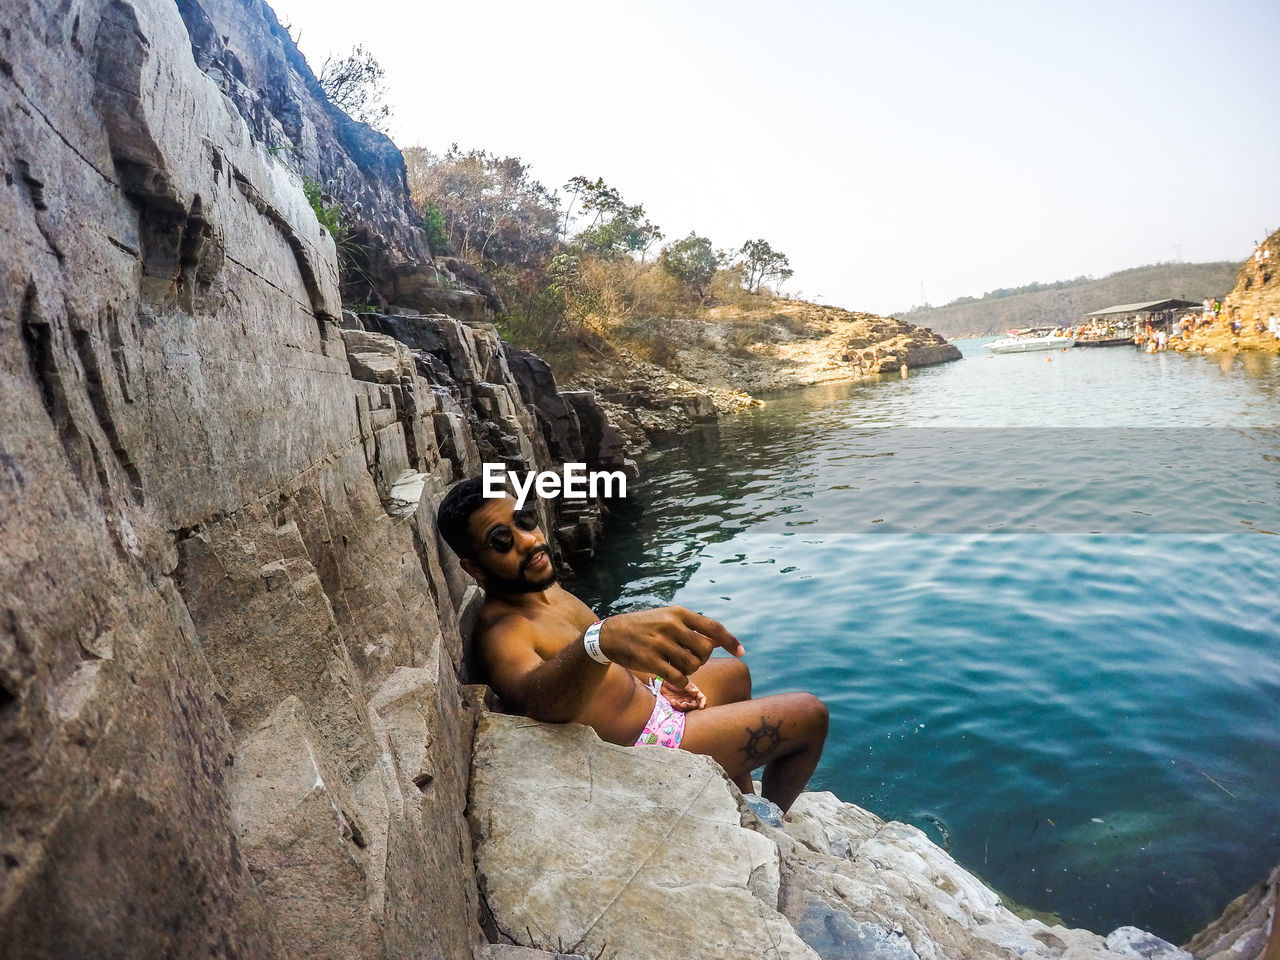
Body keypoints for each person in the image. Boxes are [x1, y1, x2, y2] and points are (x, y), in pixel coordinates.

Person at [437, 478, 829, 813]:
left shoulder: (545, 590)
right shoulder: (505, 631)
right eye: (502, 540)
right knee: (809, 715)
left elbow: (609, 666)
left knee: (734, 673)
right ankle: (771, 820)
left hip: (651, 703)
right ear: (474, 568)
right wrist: (601, 639)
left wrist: (661, 678)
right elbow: (533, 698)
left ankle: (742, 801)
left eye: (524, 520)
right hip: (645, 744)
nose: (529, 541)